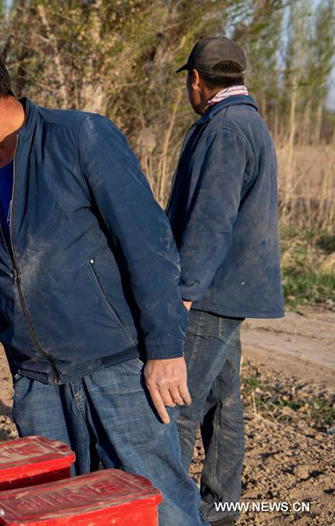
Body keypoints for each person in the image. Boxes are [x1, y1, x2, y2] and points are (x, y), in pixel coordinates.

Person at [0, 38, 207, 526]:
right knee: (61, 511)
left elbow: (149, 245)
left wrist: (165, 349)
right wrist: (19, 369)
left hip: (117, 371)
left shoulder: (80, 137)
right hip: (40, 387)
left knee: (161, 508)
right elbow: (0, 280)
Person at [169, 37, 284, 526]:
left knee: (176, 405)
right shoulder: (243, 121)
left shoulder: (226, 129)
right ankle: (221, 509)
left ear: (196, 79)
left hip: (213, 292)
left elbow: (211, 220)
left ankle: (168, 510)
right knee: (223, 399)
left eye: (188, 82)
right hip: (230, 287)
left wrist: (186, 291)